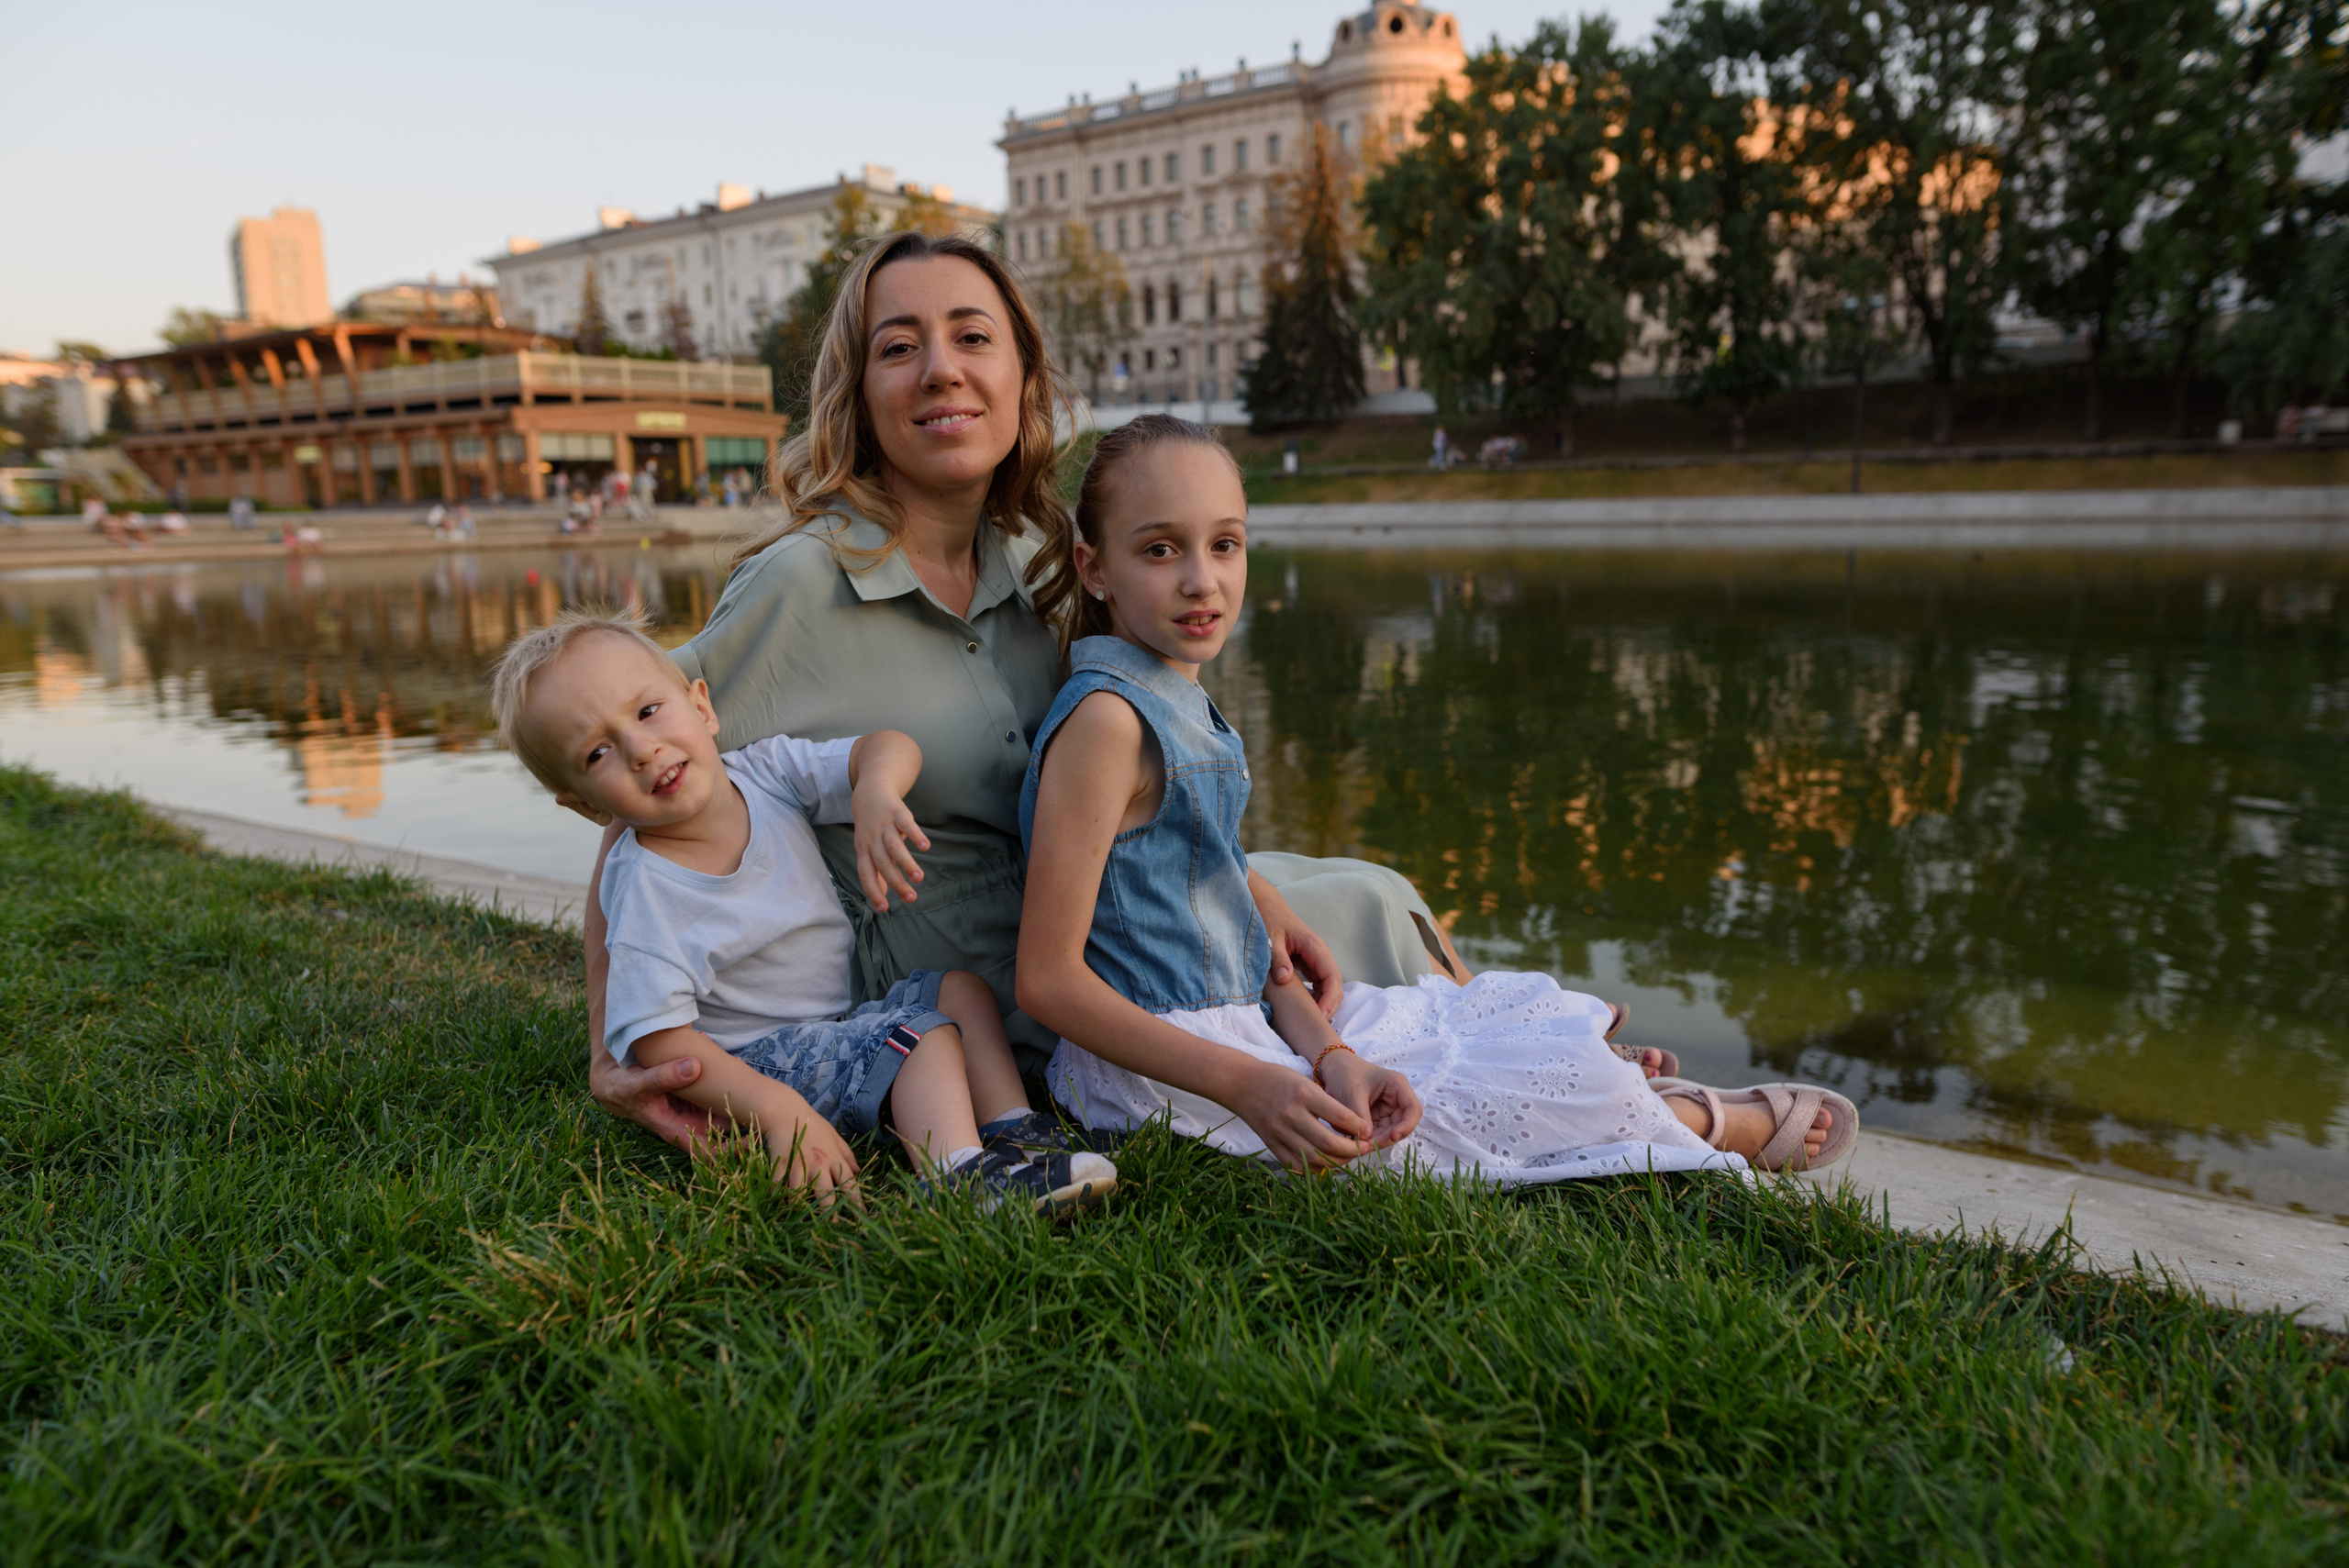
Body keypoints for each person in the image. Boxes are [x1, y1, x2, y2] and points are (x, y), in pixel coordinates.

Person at [579, 228, 1595, 1153]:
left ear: (1021, 371)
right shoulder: (798, 586)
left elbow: (1121, 782)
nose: (942, 368)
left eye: (972, 336)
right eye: (899, 347)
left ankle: (1563, 1064)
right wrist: (613, 1051)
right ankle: (1563, 1088)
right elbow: (635, 798)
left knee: (1359, 891)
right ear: (860, 387)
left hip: (1108, 920)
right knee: (1344, 925)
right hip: (974, 1005)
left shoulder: (1037, 558)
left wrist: (1255, 892)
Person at [1016, 416, 1859, 1179]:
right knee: (1452, 1115)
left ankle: (1592, 1078)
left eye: (1225, 544)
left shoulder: (1179, 698)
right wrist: (1254, 1082)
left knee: (1444, 1030)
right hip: (1161, 1076)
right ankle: (1687, 1120)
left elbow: (1238, 935)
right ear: (1095, 568)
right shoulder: (1108, 723)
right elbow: (1047, 981)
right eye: (1161, 550)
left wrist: (1329, 1049)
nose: (1202, 580)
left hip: (1241, 1028)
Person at [494, 607, 1117, 1214]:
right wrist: (773, 1108)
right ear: (584, 806)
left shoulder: (761, 775)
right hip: (754, 1065)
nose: (640, 748)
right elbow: (659, 1042)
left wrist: (874, 787)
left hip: (836, 1024)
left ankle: (1018, 1132)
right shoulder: (647, 885)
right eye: (597, 752)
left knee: (958, 991)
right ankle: (959, 1176)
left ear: (702, 706)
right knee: (919, 1038)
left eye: (648, 710)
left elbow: (885, 745)